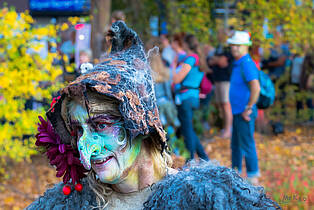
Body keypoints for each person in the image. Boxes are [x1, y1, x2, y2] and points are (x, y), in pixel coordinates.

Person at [27, 22, 279, 209]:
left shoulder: (204, 197)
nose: (85, 146)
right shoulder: (73, 201)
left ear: (138, 123)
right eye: (79, 130)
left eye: (100, 125)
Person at [227, 31, 261, 185]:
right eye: (233, 45)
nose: (234, 48)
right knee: (235, 144)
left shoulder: (247, 63)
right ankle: (235, 174)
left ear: (245, 46)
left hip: (244, 112)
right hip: (237, 111)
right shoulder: (239, 63)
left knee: (247, 143)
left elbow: (256, 87)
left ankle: (253, 178)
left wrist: (248, 108)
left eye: (237, 45)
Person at [172, 34, 209, 161]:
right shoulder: (198, 58)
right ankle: (204, 158)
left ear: (186, 45)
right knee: (189, 129)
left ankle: (190, 161)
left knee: (187, 131)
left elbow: (177, 79)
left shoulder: (190, 59)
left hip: (185, 97)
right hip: (193, 97)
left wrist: (173, 67)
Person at [208, 47, 233, 138]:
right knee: (221, 106)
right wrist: (216, 60)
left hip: (225, 81)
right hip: (217, 80)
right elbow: (210, 62)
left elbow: (222, 62)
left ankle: (228, 130)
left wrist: (215, 60)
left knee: (226, 105)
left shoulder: (227, 50)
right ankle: (225, 128)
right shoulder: (217, 48)